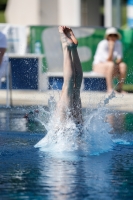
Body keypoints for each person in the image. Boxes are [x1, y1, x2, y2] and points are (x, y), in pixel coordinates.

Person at [55, 26, 83, 124]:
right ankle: (73, 50)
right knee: (75, 89)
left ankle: (66, 47)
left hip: (63, 134)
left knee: (69, 87)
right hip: (79, 135)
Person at [92, 27, 127, 93]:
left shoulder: (118, 43)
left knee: (123, 65)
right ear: (107, 36)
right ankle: (109, 88)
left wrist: (117, 63)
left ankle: (120, 88)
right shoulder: (103, 44)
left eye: (114, 35)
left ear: (117, 36)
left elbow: (120, 58)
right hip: (98, 66)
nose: (112, 37)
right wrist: (111, 48)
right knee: (111, 64)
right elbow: (109, 60)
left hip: (109, 66)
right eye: (111, 35)